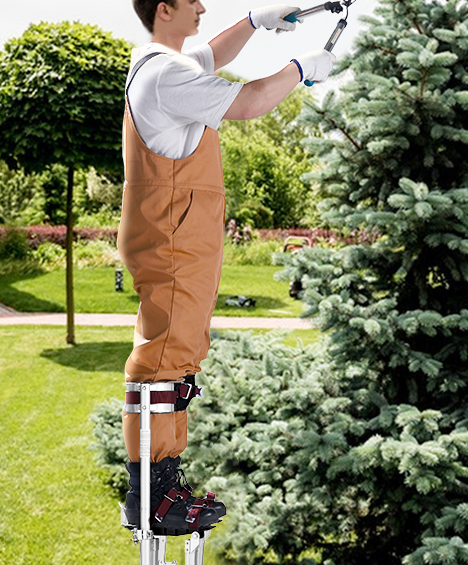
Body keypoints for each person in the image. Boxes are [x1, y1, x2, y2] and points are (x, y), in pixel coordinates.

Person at [119, 0, 334, 535]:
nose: (203, 7)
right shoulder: (167, 76)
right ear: (164, 8)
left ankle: (163, 483)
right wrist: (303, 69)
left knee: (178, 357)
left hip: (178, 238)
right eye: (193, 1)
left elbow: (207, 53)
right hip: (173, 241)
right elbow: (252, 100)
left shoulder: (161, 62)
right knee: (163, 359)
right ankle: (148, 494)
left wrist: (258, 22)